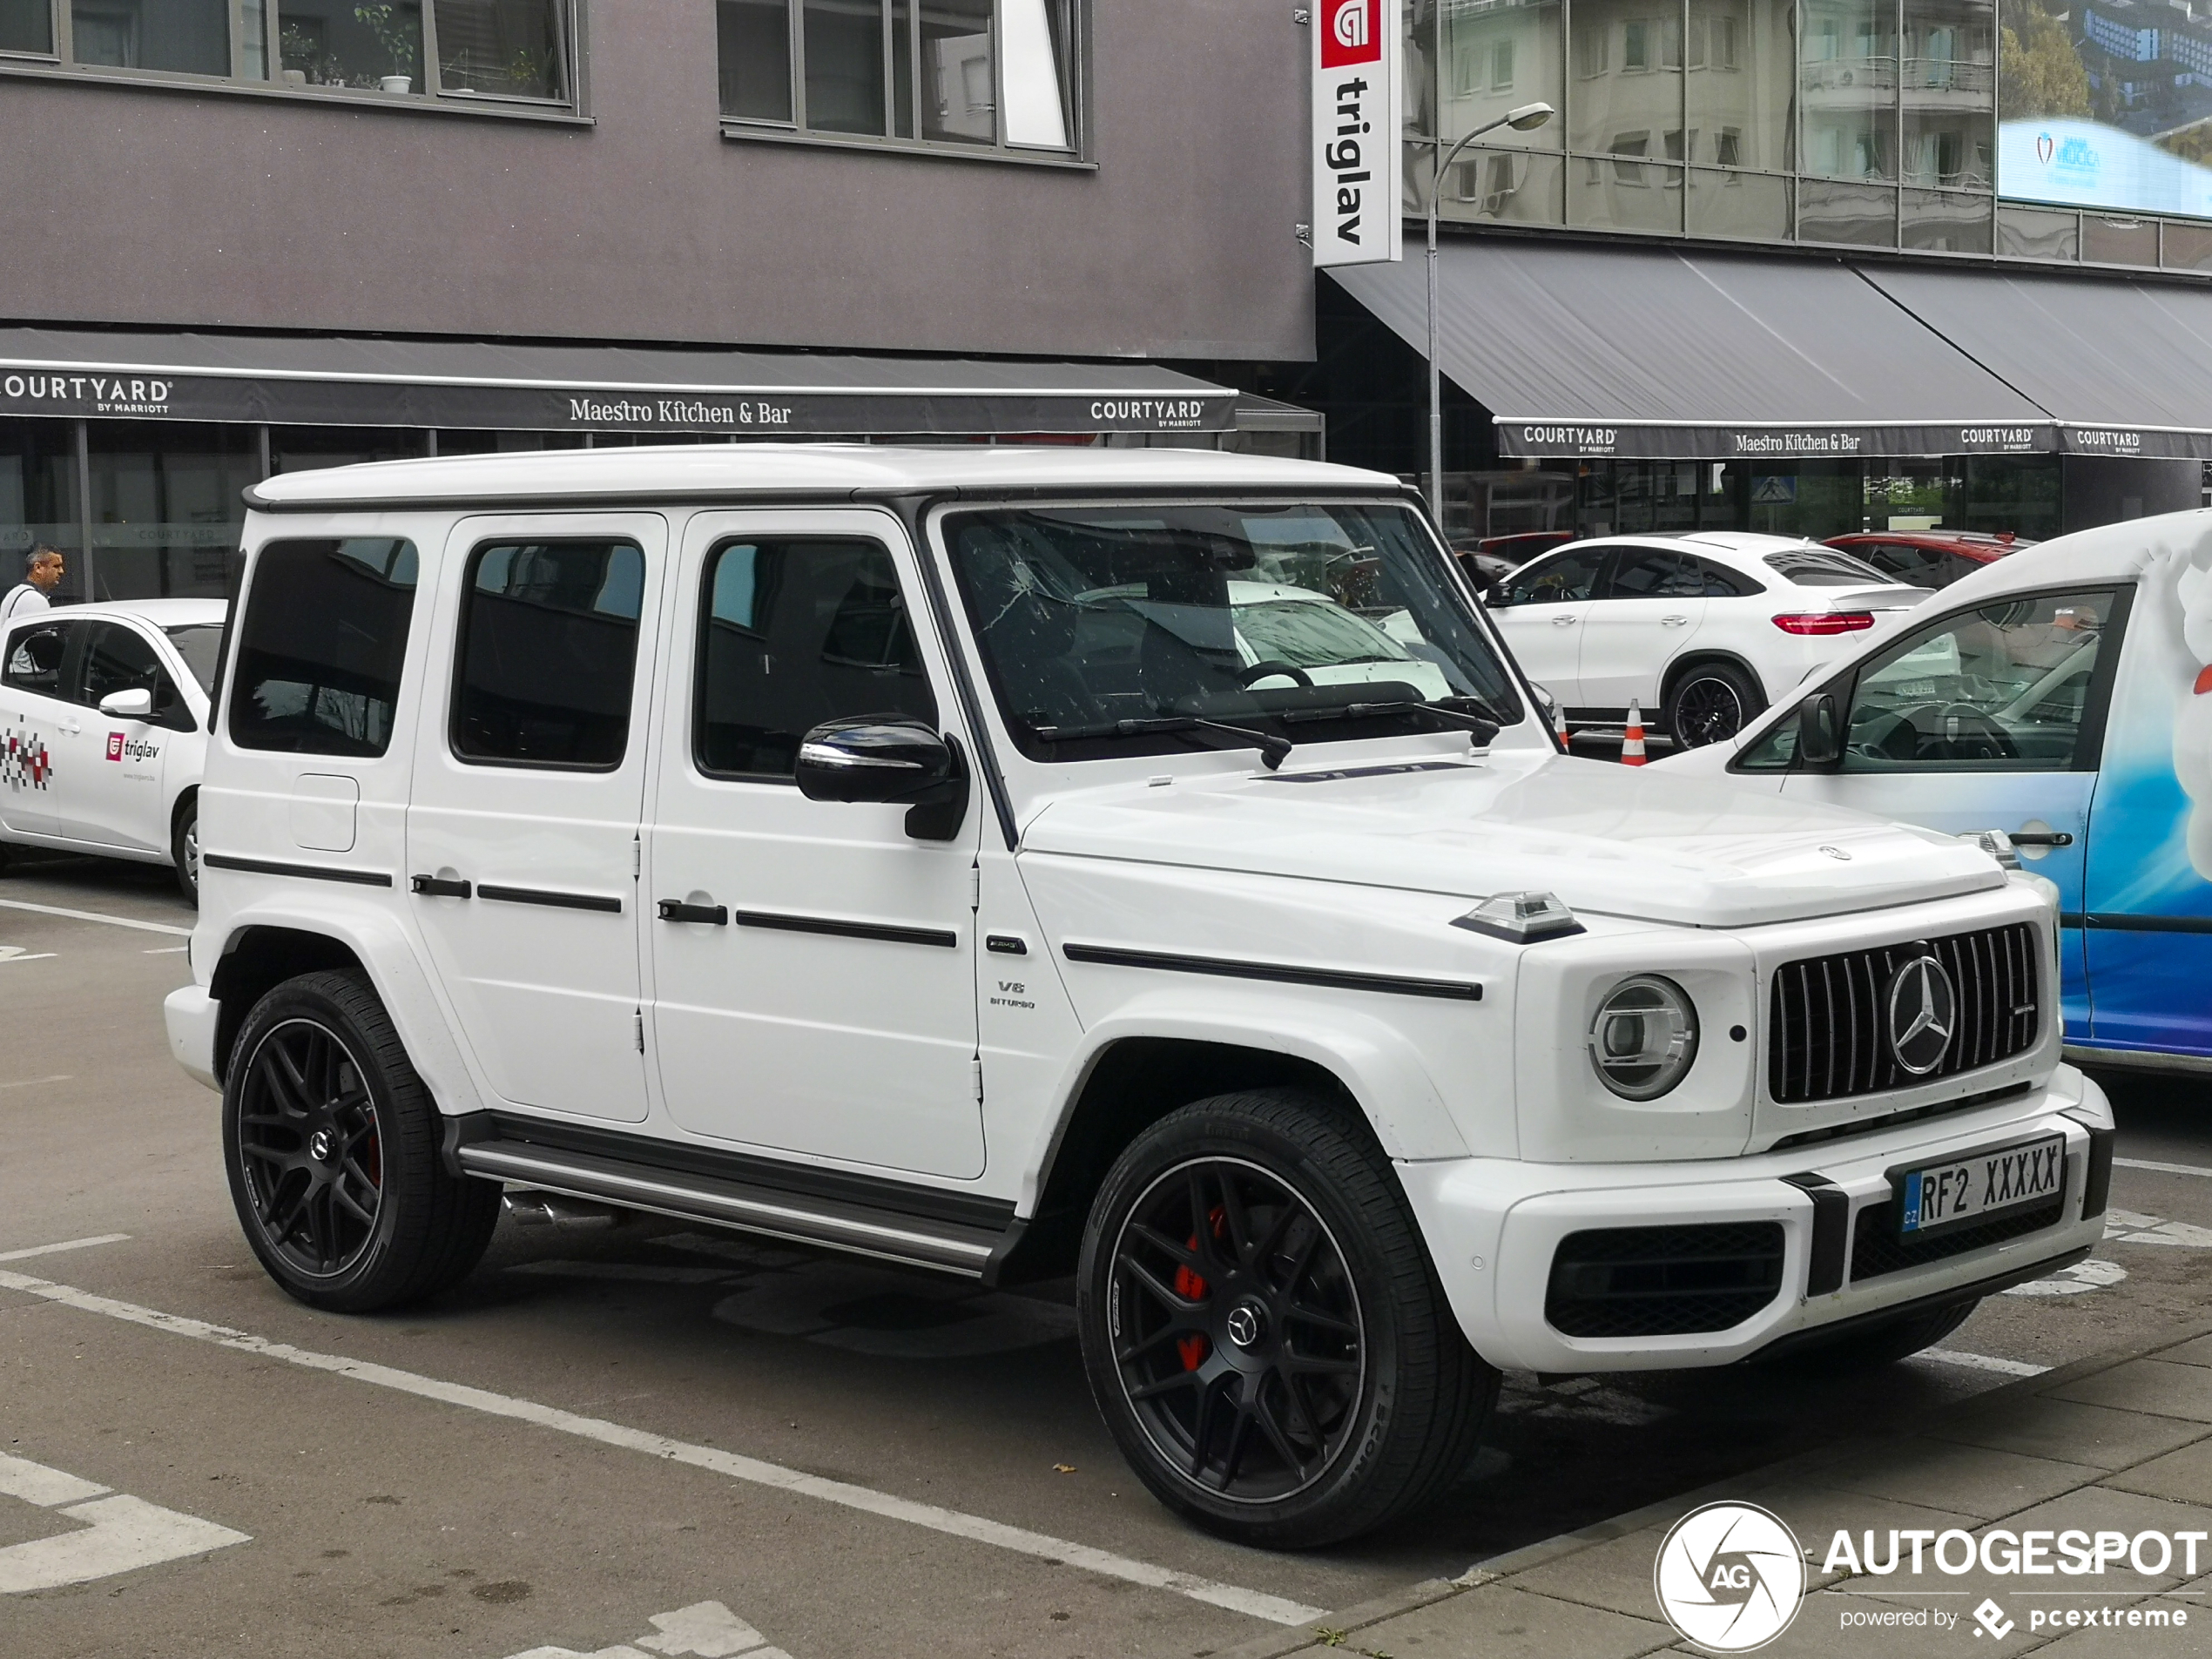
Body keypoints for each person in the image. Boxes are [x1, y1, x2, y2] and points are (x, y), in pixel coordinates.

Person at [1, 547, 64, 620]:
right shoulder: (35, 599)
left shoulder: (14, 593)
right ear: (38, 568)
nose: (61, 571)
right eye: (56, 566)